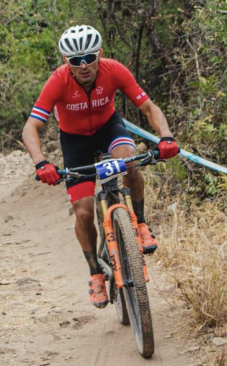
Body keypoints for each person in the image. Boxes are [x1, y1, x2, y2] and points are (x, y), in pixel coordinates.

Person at [21, 25, 179, 308]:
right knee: (82, 212)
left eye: (89, 57)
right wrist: (41, 163)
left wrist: (166, 136)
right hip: (74, 141)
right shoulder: (57, 81)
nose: (83, 65)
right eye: (75, 60)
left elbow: (149, 109)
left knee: (130, 161)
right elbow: (30, 127)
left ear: (100, 54)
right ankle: (95, 272)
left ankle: (140, 224)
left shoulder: (114, 70)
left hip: (109, 128)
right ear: (64, 61)